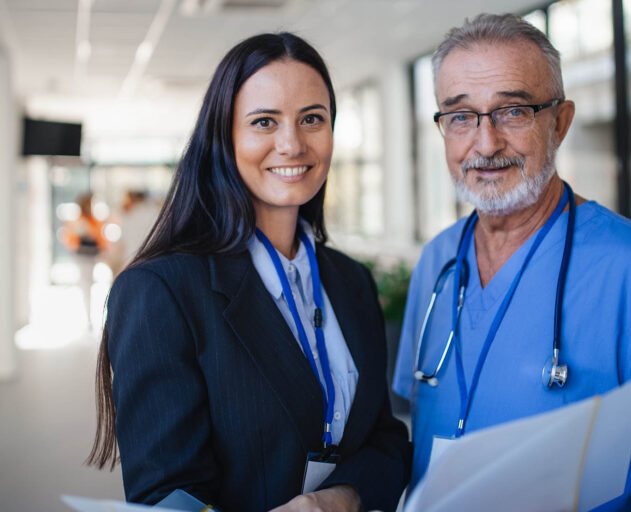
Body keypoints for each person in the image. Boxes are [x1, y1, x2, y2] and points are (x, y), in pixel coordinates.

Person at [392, 13, 631, 510]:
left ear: (559, 122)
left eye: (513, 111)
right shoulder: (437, 262)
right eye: (461, 116)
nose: (486, 143)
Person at [86, 33, 411, 512]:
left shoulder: (351, 281)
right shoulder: (161, 291)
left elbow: (384, 438)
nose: (292, 143)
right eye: (264, 121)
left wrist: (333, 501)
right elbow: (165, 493)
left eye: (312, 119)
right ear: (225, 137)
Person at [61, 192, 108, 328]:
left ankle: (91, 315)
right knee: (85, 283)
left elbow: (99, 236)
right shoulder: (78, 220)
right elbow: (69, 237)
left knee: (89, 282)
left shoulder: (93, 220)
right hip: (81, 255)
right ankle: (87, 316)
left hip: (91, 254)